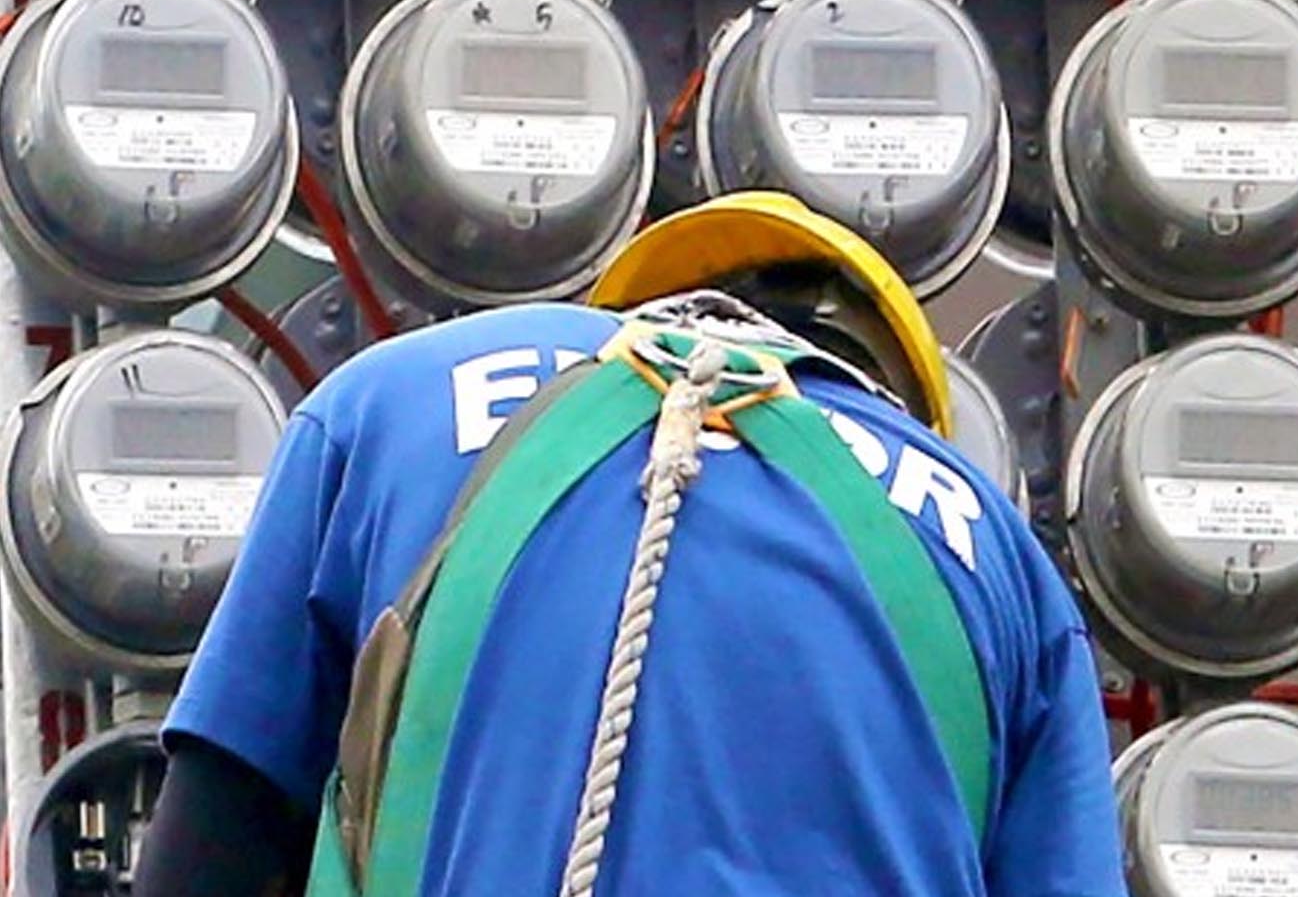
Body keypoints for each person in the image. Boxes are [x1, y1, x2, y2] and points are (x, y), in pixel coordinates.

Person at [135, 192, 1126, 897]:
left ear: (620, 316)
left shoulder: (389, 405)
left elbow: (214, 838)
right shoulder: (993, 552)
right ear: (889, 396)